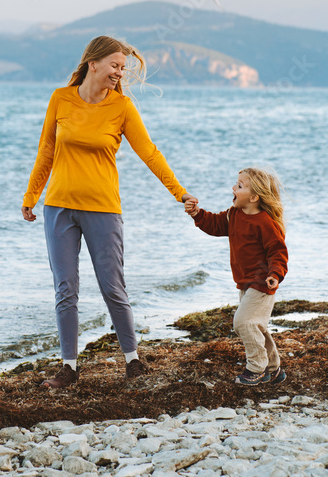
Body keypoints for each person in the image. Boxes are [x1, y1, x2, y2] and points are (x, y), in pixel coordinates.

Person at [23, 35, 197, 389]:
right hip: (59, 209)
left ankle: (133, 361)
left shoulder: (122, 108)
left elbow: (149, 152)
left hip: (103, 209)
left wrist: (180, 193)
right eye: (115, 65)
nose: (120, 73)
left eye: (123, 68)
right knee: (65, 288)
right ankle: (68, 368)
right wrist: (31, 196)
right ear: (94, 63)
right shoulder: (60, 99)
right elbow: (46, 152)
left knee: (112, 287)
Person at [184, 167, 289, 386]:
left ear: (253, 197)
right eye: (236, 183)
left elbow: (278, 252)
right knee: (256, 326)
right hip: (245, 283)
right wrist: (197, 214)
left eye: (239, 186)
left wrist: (275, 275)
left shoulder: (265, 223)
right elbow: (214, 224)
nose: (233, 187)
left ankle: (257, 368)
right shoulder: (234, 215)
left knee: (242, 322)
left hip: (263, 284)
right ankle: (273, 369)